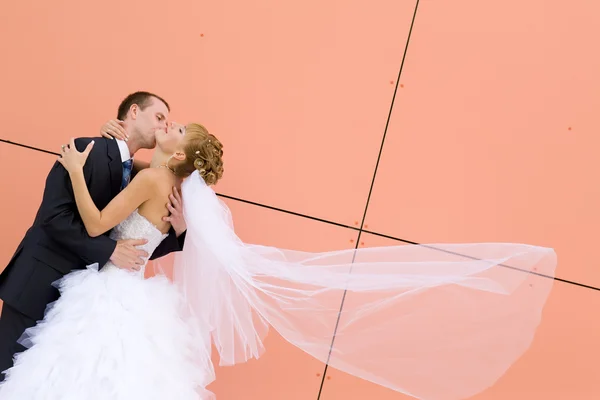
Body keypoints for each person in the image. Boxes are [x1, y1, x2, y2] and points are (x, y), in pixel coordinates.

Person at [0, 119, 557, 400]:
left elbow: (97, 225)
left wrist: (74, 171)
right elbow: (150, 237)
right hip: (134, 289)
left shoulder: (149, 175)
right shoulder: (173, 192)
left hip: (111, 289)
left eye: (172, 128)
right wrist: (179, 232)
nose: (166, 128)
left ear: (174, 152)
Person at [0, 91, 188, 378]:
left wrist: (179, 230)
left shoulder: (141, 175)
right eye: (159, 117)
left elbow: (135, 242)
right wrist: (109, 251)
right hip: (37, 286)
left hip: (78, 304)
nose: (164, 125)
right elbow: (53, 217)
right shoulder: (85, 149)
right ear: (134, 112)